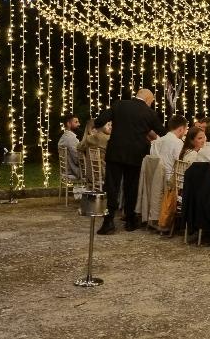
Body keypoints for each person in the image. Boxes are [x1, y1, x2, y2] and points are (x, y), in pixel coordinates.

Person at [96, 89, 164, 234]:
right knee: (131, 187)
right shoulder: (149, 113)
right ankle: (130, 220)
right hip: (136, 154)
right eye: (151, 102)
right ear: (147, 99)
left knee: (111, 186)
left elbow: (99, 121)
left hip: (115, 151)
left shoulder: (119, 105)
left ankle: (108, 222)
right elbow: (162, 132)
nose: (151, 104)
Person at [150, 115, 188, 182]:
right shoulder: (178, 142)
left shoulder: (156, 142)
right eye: (185, 129)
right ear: (181, 129)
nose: (185, 133)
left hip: (155, 180)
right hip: (171, 182)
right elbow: (180, 165)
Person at [58, 113, 81, 178]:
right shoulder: (70, 138)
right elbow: (77, 159)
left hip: (66, 170)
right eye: (76, 122)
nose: (79, 124)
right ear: (68, 124)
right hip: (74, 171)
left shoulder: (64, 136)